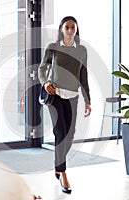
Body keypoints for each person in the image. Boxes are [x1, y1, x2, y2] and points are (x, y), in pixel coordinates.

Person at [38, 16, 92, 194]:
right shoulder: (53, 48)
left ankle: (57, 165)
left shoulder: (82, 50)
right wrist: (45, 83)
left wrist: (88, 100)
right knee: (60, 131)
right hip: (55, 96)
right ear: (61, 29)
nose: (70, 30)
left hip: (73, 97)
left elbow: (83, 76)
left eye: (73, 27)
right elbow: (41, 69)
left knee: (70, 135)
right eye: (66, 27)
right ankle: (63, 173)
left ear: (76, 30)